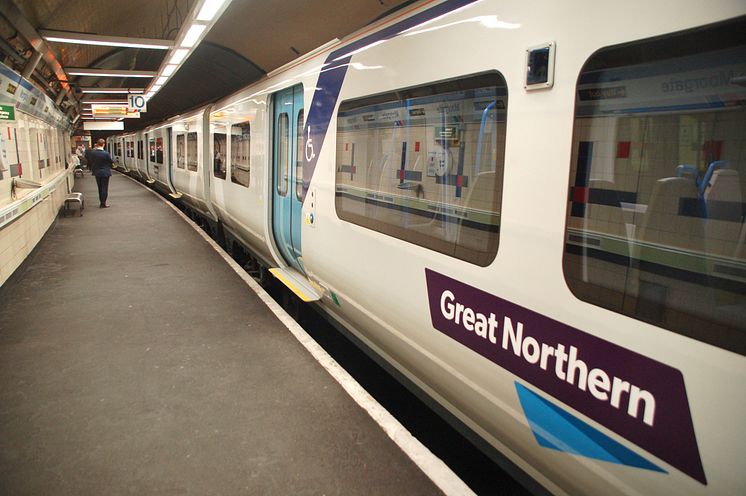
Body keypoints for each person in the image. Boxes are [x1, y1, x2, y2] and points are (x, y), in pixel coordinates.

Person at [90, 139, 114, 208]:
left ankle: (101, 201)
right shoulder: (106, 153)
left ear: (97, 144)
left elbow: (91, 161)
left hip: (97, 172)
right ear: (103, 144)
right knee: (104, 188)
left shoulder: (93, 153)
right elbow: (111, 161)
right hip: (105, 173)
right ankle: (103, 203)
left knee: (99, 188)